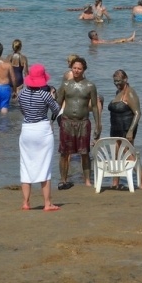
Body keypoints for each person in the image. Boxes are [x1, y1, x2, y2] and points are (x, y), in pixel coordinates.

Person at [17, 64, 61, 211]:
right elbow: (57, 110)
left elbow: (23, 111)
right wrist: (53, 96)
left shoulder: (21, 94)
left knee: (25, 165)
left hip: (27, 129)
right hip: (42, 129)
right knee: (45, 166)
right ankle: (47, 203)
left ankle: (25, 202)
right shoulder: (45, 94)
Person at [56, 57, 101, 189]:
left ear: (84, 70)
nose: (76, 70)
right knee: (64, 153)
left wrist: (98, 125)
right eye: (74, 68)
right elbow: (57, 104)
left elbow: (94, 107)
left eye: (79, 69)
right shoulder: (65, 85)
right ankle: (63, 180)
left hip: (83, 122)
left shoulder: (90, 86)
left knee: (85, 152)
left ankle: (87, 181)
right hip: (67, 122)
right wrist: (50, 121)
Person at [107, 70, 142, 189]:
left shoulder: (130, 93)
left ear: (125, 79)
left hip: (126, 129)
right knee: (116, 155)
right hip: (115, 128)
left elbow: (137, 113)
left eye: (119, 81)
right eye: (115, 81)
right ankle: (115, 182)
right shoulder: (118, 92)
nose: (117, 83)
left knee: (129, 155)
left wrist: (131, 131)